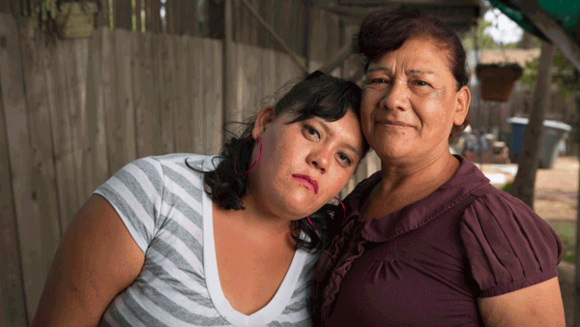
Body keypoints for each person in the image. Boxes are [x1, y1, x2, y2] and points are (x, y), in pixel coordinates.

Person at [32, 71, 369, 327]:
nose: (322, 160)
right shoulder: (155, 192)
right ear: (264, 123)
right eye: (312, 131)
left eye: (343, 157)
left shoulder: (326, 258)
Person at [311, 9, 565, 327]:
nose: (393, 99)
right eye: (378, 80)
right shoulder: (358, 200)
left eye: (420, 82)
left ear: (459, 105)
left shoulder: (494, 223)